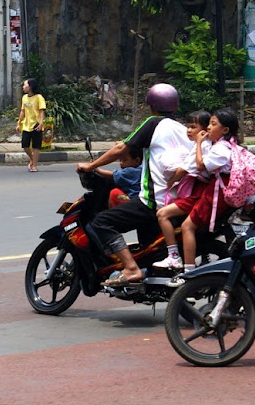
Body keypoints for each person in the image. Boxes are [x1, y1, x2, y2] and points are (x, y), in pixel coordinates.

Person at [76, 83, 193, 287]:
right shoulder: (182, 129)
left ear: (152, 106)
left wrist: (91, 165)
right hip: (179, 201)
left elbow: (122, 148)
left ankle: (131, 268)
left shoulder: (154, 123)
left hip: (155, 201)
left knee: (102, 222)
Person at [161, 108, 239, 287]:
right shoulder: (224, 144)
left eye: (213, 124)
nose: (209, 128)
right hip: (212, 191)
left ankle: (187, 271)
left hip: (214, 193)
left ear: (225, 130)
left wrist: (198, 143)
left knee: (186, 226)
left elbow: (200, 165)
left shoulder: (218, 148)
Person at [152, 110, 211, 272]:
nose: (189, 130)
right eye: (188, 126)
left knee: (163, 214)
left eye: (193, 127)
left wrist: (169, 183)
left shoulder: (203, 146)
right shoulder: (201, 145)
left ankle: (174, 256)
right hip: (198, 192)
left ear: (204, 130)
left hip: (198, 194)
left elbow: (183, 170)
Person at [16, 78, 45, 172]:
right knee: (25, 145)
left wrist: (41, 123)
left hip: (36, 124)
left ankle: (34, 165)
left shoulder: (39, 97)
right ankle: (33, 159)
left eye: (25, 85)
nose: (23, 87)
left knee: (36, 146)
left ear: (30, 87)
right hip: (26, 124)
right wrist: (19, 122)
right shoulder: (24, 97)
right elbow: (22, 111)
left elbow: (41, 111)